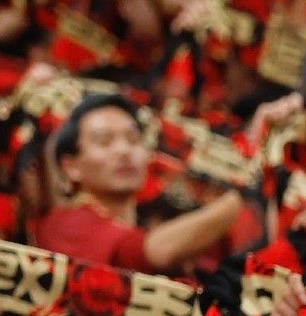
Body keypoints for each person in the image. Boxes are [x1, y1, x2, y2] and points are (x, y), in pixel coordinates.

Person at [31, 94, 250, 276]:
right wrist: (237, 199)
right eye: (104, 141)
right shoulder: (63, 224)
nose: (124, 150)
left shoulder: (141, 228)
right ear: (71, 167)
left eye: (133, 139)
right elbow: (151, 252)